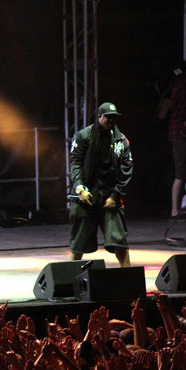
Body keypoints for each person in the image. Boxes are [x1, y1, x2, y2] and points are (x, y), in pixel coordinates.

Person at [69, 102, 133, 267]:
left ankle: (128, 276)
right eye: (108, 117)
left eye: (114, 118)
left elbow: (126, 169)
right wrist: (80, 187)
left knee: (119, 241)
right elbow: (75, 163)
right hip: (87, 196)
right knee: (78, 243)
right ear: (99, 117)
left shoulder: (121, 140)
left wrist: (115, 195)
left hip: (109, 196)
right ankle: (71, 275)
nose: (111, 121)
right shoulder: (84, 136)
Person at [157, 60, 186, 219]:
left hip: (177, 134)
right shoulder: (183, 87)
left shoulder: (174, 88)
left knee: (182, 172)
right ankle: (175, 210)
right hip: (182, 135)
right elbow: (184, 114)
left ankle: (177, 209)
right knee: (181, 173)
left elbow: (163, 114)